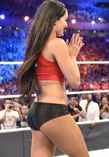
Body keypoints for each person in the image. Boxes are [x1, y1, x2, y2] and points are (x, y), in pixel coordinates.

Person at [15, 0, 89, 157]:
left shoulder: (36, 45)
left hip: (36, 112)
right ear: (54, 20)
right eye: (64, 19)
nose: (66, 24)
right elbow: (75, 81)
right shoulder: (57, 44)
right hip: (53, 111)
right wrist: (73, 55)